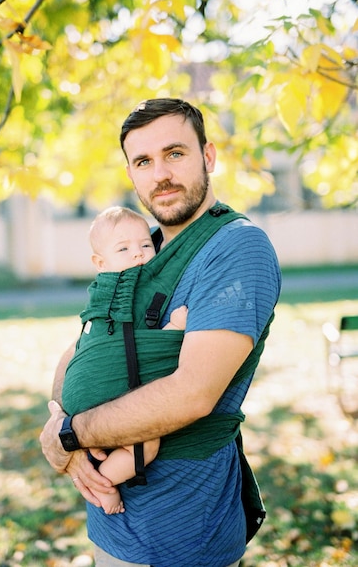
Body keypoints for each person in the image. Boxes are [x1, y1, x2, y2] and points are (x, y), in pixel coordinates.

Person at [40, 98, 281, 567]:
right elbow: (84, 346)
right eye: (143, 161)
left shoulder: (236, 248)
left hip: (183, 530)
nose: (160, 174)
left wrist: (71, 435)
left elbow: (192, 394)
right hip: (111, 523)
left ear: (207, 157)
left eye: (175, 153)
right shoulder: (136, 246)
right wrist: (57, 422)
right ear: (131, 173)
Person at [62, 206, 187, 514]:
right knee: (145, 444)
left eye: (145, 245)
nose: (138, 255)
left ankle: (99, 452)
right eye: (124, 248)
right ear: (100, 263)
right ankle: (103, 485)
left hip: (82, 393)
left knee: (111, 440)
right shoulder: (129, 289)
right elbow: (137, 339)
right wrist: (174, 329)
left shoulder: (102, 293)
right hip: (99, 388)